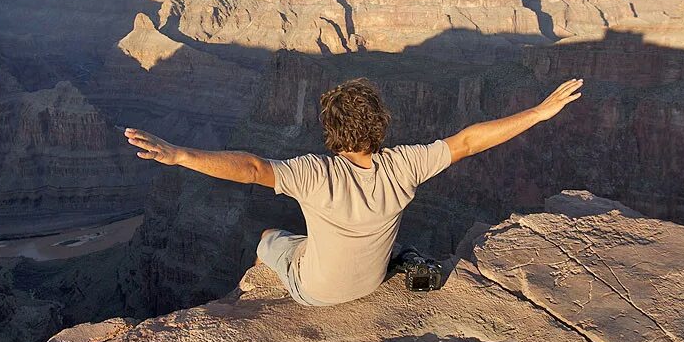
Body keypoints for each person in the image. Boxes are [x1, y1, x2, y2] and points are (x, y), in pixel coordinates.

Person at [125, 77, 583, 307]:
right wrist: (539, 113)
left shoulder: (313, 173)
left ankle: (361, 258)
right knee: (389, 242)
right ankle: (406, 261)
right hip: (371, 282)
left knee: (269, 236)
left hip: (317, 293)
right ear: (379, 125)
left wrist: (179, 154)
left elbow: (251, 168)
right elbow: (468, 140)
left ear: (330, 130)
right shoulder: (405, 165)